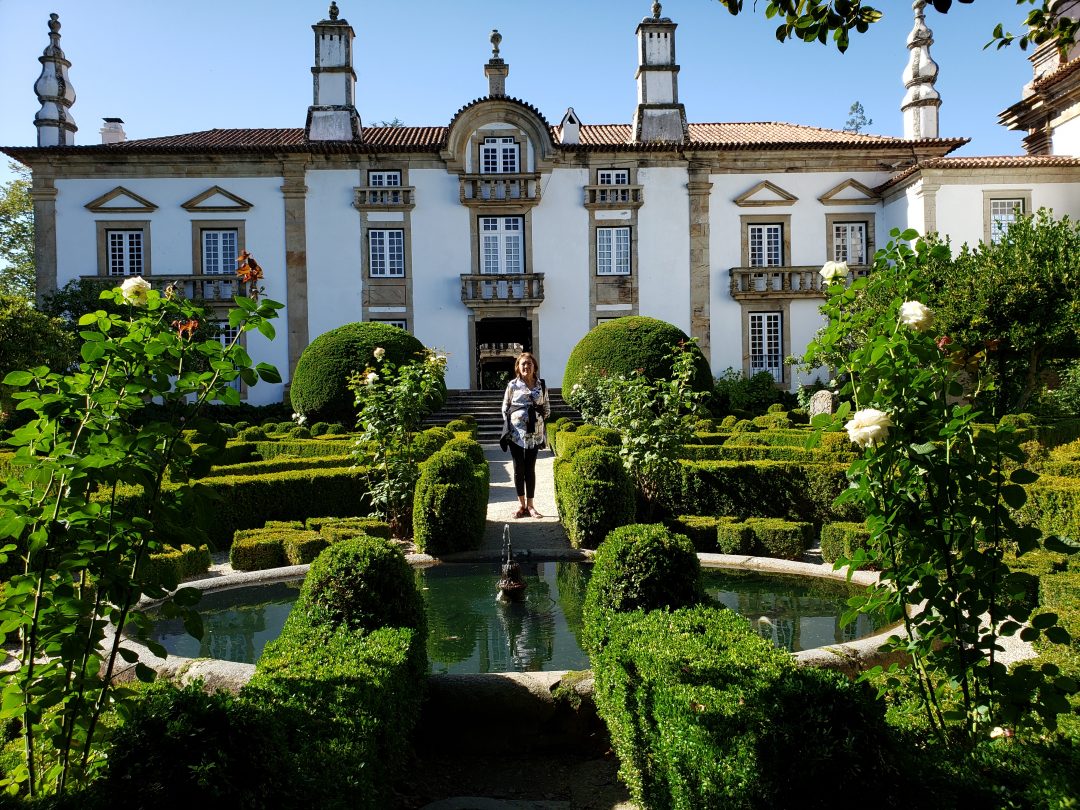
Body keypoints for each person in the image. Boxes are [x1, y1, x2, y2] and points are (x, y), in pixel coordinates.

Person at [501, 351, 550, 519]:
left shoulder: (541, 385)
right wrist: (513, 422)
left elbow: (546, 408)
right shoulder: (512, 385)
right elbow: (505, 407)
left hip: (534, 433)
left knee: (530, 468)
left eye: (529, 363)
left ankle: (531, 506)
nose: (526, 366)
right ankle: (521, 505)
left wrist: (538, 422)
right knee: (518, 468)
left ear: (534, 366)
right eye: (523, 364)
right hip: (516, 433)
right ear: (518, 367)